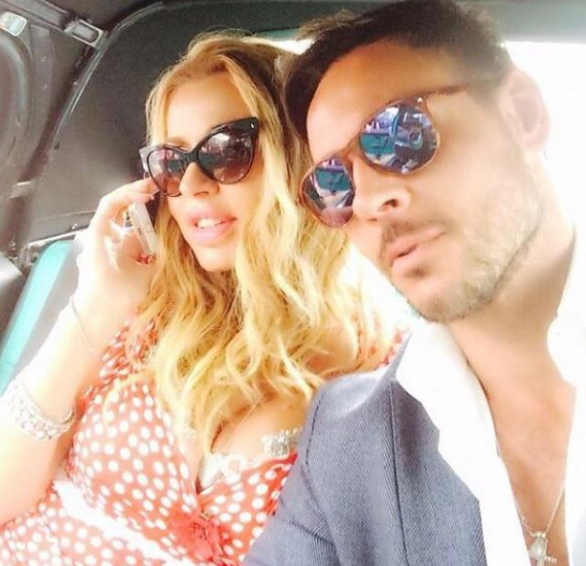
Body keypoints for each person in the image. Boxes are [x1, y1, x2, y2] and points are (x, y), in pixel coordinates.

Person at [0, 33, 393, 565]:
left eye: (228, 151)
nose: (194, 183)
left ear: (299, 159)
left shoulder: (383, 370)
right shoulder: (143, 316)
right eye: (173, 161)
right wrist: (96, 305)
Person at [245, 1, 585, 565]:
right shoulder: (347, 443)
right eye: (335, 184)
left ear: (522, 113)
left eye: (396, 134)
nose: (371, 201)